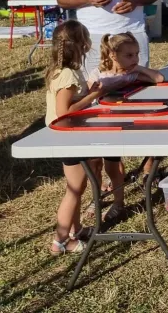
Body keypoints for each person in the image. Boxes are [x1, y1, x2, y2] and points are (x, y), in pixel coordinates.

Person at [44, 20, 111, 255]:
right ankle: (60, 241)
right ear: (82, 45)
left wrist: (86, 92)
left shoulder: (63, 71)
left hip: (68, 135)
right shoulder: (68, 75)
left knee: (78, 186)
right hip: (68, 136)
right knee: (74, 190)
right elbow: (65, 112)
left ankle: (77, 228)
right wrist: (93, 95)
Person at [83, 31, 165, 219]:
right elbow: (89, 96)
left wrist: (138, 69)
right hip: (97, 125)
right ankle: (97, 198)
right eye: (129, 55)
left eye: (137, 54)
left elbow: (159, 78)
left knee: (113, 165)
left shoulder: (132, 74)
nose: (134, 58)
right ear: (113, 55)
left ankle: (118, 203)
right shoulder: (99, 74)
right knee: (94, 165)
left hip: (120, 123)